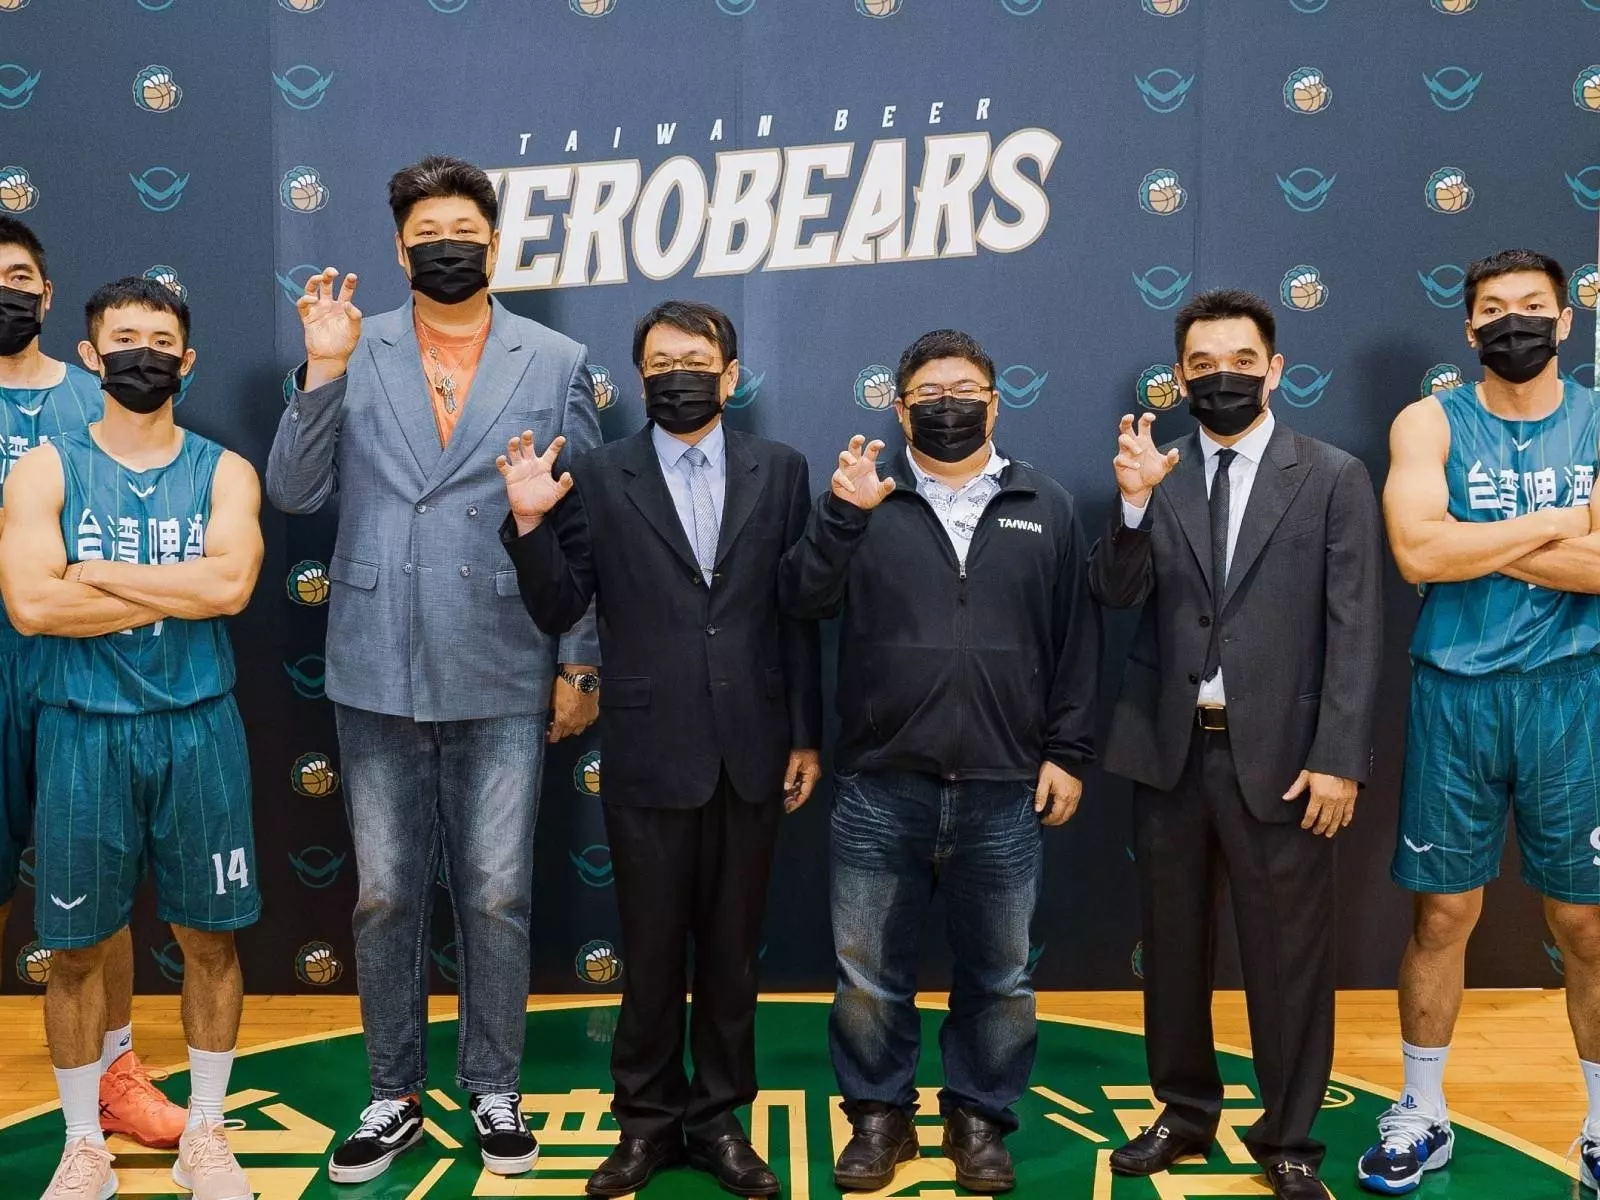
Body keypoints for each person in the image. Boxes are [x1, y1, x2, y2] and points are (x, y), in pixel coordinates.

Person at [265, 154, 603, 1185]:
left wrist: (579, 660)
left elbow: (581, 529)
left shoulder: (555, 358)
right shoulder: (348, 345)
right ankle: (393, 1094)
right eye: (427, 234)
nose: (446, 246)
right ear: (400, 248)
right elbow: (294, 492)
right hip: (377, 660)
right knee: (384, 897)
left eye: (464, 231)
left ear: (494, 244)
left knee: (496, 893)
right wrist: (321, 373)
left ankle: (494, 1086)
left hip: (504, 653)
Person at [498, 299, 822, 1199]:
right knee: (647, 956)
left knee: (730, 956)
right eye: (660, 364)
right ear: (639, 378)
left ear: (730, 374)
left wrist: (804, 731)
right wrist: (529, 525)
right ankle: (644, 1125)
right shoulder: (601, 475)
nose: (678, 376)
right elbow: (561, 605)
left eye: (696, 362)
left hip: (752, 747)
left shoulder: (781, 470)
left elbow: (796, 614)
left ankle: (719, 1123)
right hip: (648, 749)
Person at [779, 328, 1099, 1196]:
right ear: (899, 407)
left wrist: (1067, 752)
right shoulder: (865, 495)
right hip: (882, 782)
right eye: (928, 392)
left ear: (995, 403)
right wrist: (842, 516)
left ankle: (979, 1119)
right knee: (866, 975)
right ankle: (879, 1118)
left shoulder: (1046, 503)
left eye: (964, 390)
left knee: (1000, 975)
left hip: (1005, 784)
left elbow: (1076, 641)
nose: (946, 404)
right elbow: (800, 598)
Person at [1090, 289, 1382, 1200]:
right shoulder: (1158, 472)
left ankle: (1289, 1137)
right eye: (1204, 365)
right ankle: (1183, 1111)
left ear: (1275, 369)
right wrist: (1132, 504)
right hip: (1169, 755)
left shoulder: (1330, 475)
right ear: (1180, 377)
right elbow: (1114, 594)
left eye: (1243, 361)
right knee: (1173, 950)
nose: (1224, 377)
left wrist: (1338, 757)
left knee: (1288, 960)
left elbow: (1356, 627)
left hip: (1288, 762)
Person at [0, 276, 263, 1200]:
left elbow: (231, 589)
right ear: (90, 355)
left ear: (187, 363)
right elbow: (32, 607)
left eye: (159, 342)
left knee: (211, 941)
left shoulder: (226, 471)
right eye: (123, 340)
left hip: (198, 728)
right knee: (75, 952)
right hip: (82, 731)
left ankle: (207, 1135)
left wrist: (97, 572)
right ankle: (84, 1145)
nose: (140, 355)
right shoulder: (46, 470)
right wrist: (175, 589)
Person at [1360, 249, 1600, 1195]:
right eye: (1494, 310)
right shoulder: (1430, 421)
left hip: (1572, 693)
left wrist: (1473, 544)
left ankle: (1599, 1124)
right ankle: (1422, 1112)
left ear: (1567, 321)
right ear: (1468, 330)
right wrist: (1561, 526)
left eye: (1533, 307)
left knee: (1585, 924)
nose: (1514, 323)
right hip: (1456, 694)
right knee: (1443, 914)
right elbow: (1417, 552)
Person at [0, 220, 187, 1151]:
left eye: (18, 276)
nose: (7, 292)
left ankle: (115, 1074)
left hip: (89, 669)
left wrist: (70, 596)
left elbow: (139, 554)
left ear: (46, 293)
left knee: (95, 889)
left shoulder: (95, 397)